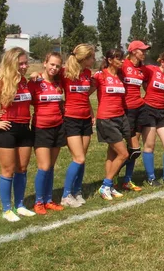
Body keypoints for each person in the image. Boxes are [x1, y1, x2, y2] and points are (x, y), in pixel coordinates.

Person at [0, 47, 36, 222]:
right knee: (8, 170)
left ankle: (20, 205)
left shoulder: (24, 81)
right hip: (7, 130)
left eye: (26, 63)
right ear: (11, 64)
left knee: (22, 169)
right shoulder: (0, 82)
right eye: (21, 63)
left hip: (25, 129)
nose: (25, 66)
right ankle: (7, 209)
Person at [29, 52, 66, 214]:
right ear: (45, 63)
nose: (54, 68)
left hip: (58, 127)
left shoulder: (58, 84)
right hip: (41, 128)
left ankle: (49, 200)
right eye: (51, 64)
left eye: (57, 66)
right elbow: (24, 100)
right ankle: (38, 202)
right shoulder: (35, 82)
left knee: (51, 167)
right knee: (43, 166)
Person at [60, 44, 96, 207]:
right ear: (84, 58)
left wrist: (92, 114)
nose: (94, 60)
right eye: (91, 57)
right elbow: (46, 79)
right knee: (78, 158)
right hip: (71, 119)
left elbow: (84, 96)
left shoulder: (88, 73)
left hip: (86, 119)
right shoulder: (65, 73)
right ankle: (66, 195)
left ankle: (77, 191)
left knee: (83, 158)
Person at [93, 49, 130, 200]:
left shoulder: (120, 76)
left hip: (119, 117)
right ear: (109, 60)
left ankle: (111, 186)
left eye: (122, 58)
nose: (122, 61)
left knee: (112, 154)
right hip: (106, 118)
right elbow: (84, 91)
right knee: (124, 154)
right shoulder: (100, 75)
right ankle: (105, 185)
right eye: (118, 58)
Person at [139, 51, 164, 186]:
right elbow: (142, 80)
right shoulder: (151, 70)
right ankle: (151, 177)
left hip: (162, 111)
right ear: (162, 61)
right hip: (148, 110)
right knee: (149, 145)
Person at [119, 40, 151, 192]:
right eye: (142, 50)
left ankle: (127, 180)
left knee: (134, 150)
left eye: (145, 50)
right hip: (126, 111)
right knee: (119, 149)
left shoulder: (143, 69)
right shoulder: (122, 65)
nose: (144, 53)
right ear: (132, 51)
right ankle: (111, 178)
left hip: (139, 109)